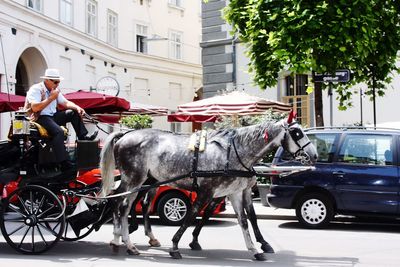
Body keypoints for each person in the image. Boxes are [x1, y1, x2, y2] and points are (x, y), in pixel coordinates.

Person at [25, 68, 98, 170]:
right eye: (55, 82)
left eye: (59, 82)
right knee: (58, 132)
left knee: (73, 112)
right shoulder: (36, 89)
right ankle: (63, 162)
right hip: (39, 117)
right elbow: (35, 107)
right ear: (47, 80)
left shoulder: (54, 91)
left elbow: (65, 102)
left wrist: (77, 107)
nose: (57, 84)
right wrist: (51, 98)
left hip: (52, 117)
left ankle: (83, 137)